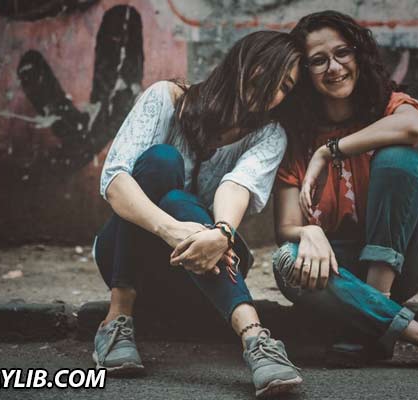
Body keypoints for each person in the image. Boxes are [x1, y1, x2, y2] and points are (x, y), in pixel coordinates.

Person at [272, 10, 418, 374]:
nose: (335, 67)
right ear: (305, 72)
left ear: (358, 54)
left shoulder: (386, 106)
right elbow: (286, 228)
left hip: (404, 260)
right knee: (285, 260)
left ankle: (374, 305)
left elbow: (413, 127)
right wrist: (308, 232)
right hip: (337, 270)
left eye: (343, 53)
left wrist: (330, 151)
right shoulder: (295, 136)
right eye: (318, 60)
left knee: (399, 158)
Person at [92, 31, 304, 397]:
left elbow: (236, 186)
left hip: (207, 272)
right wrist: (170, 229)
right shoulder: (166, 98)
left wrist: (220, 232)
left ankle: (256, 340)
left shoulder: (270, 135)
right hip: (125, 262)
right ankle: (118, 317)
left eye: (285, 85)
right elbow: (114, 182)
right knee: (161, 162)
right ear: (243, 60)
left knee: (179, 200)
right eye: (269, 71)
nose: (273, 89)